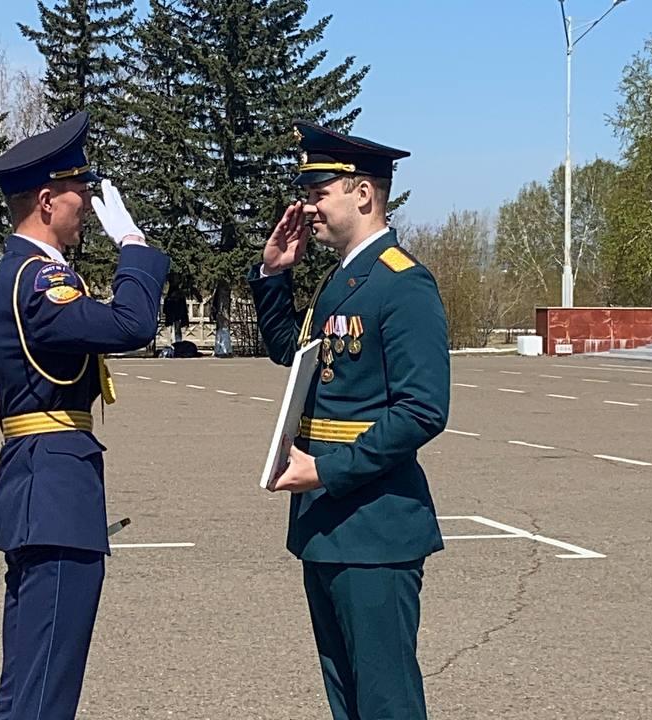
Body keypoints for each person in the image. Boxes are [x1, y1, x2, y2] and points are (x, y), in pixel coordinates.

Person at [246, 120, 450, 720]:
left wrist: (326, 471)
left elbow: (423, 410)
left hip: (374, 527)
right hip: (328, 525)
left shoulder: (402, 283)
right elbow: (294, 354)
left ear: (362, 193)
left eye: (318, 193)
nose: (307, 207)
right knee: (348, 702)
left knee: (386, 703)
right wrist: (274, 274)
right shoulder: (343, 280)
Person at [0, 111, 170, 720]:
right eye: (78, 190)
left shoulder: (29, 273)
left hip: (47, 487)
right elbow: (131, 325)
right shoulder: (38, 281)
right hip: (55, 494)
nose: (86, 202)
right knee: (42, 695)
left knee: (31, 685)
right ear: (46, 201)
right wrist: (134, 249)